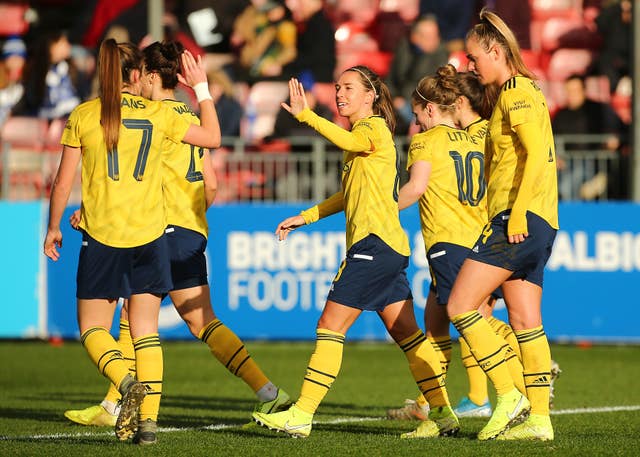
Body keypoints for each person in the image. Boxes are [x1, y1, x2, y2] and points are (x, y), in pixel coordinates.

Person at [62, 40, 290, 437]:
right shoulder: (187, 114)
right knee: (201, 321)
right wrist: (192, 221)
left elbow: (128, 173)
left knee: (136, 319)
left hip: (155, 228)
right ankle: (268, 391)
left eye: (141, 75)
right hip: (191, 228)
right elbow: (213, 183)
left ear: (150, 76)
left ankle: (130, 408)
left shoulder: (151, 115)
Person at [251, 67, 459, 439]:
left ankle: (301, 413)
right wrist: (307, 216)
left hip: (374, 247)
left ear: (370, 96)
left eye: (348, 87)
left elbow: (349, 144)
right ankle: (442, 412)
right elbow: (350, 195)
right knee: (408, 336)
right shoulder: (361, 138)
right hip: (387, 247)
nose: (340, 93)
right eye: (337, 87)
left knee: (330, 326)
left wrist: (307, 116)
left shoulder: (373, 129)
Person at [43, 39, 220, 444]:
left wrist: (54, 227)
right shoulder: (159, 113)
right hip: (150, 237)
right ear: (136, 75)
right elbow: (212, 137)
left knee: (92, 329)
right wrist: (203, 89)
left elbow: (63, 181)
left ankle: (125, 384)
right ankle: (149, 423)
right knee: (145, 332)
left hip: (104, 237)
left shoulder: (86, 115)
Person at [447, 8, 559, 441]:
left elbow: (532, 154)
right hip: (539, 219)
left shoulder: (514, 90)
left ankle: (508, 394)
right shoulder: (521, 91)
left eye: (475, 58)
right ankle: (540, 421)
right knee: (526, 320)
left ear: (495, 51)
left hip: (521, 218)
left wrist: (514, 214)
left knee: (461, 306)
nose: (472, 66)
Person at [552, 74, 625, 201]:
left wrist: (612, 141)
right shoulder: (561, 116)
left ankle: (573, 217)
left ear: (584, 90)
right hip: (566, 163)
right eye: (569, 91)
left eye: (576, 90)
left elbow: (619, 131)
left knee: (567, 185)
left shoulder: (599, 110)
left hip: (594, 163)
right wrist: (555, 157)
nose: (572, 94)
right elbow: (551, 141)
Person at [385, 15, 449, 134]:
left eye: (436, 35)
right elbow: (391, 80)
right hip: (400, 104)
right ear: (415, 37)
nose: (435, 40)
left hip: (425, 108)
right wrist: (393, 99)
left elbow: (434, 91)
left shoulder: (440, 54)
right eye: (429, 37)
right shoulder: (404, 48)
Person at [16, 30, 83, 120]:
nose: (68, 45)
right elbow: (34, 100)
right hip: (45, 118)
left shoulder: (70, 68)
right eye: (63, 42)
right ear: (51, 46)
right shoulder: (37, 71)